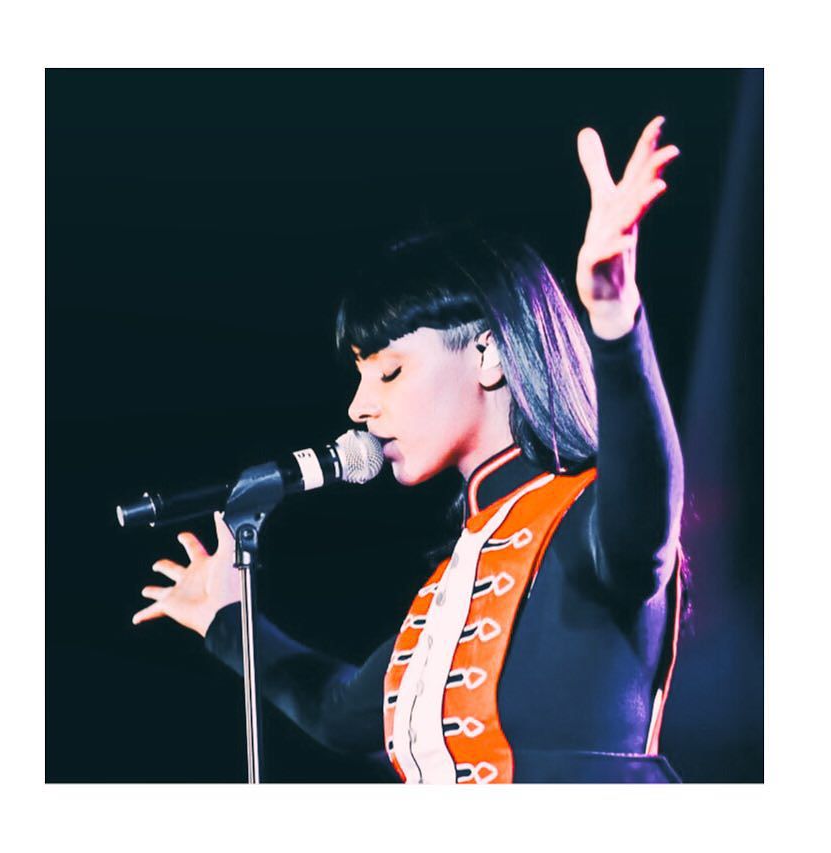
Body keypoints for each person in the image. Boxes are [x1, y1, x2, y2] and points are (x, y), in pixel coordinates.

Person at [132, 116, 685, 783]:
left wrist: (614, 320)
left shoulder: (591, 519)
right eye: (360, 376)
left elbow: (645, 511)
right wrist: (224, 620)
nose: (358, 407)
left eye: (389, 372)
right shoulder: (461, 565)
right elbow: (340, 713)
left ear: (487, 354)